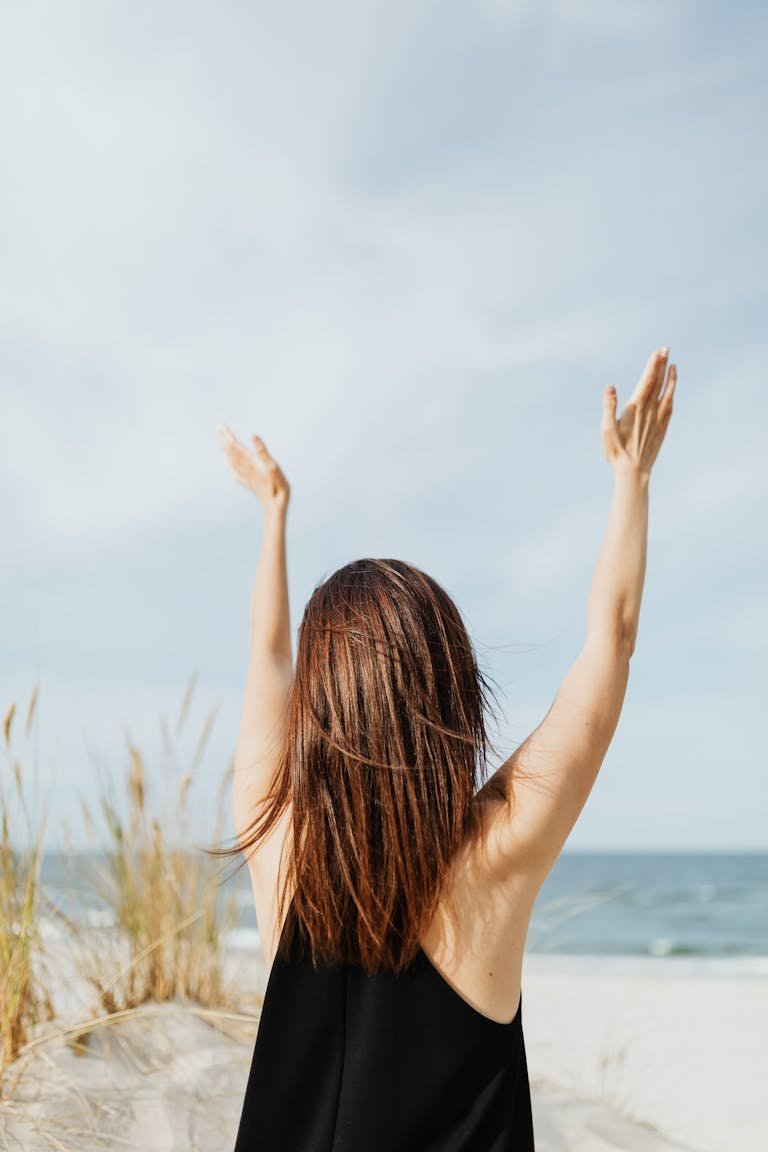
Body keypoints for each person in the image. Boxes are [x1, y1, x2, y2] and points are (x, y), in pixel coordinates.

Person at [215, 347, 677, 1151]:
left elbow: (267, 659)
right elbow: (613, 640)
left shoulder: (275, 842)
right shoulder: (495, 857)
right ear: (452, 693)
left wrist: (274, 514)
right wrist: (631, 477)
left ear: (317, 715)